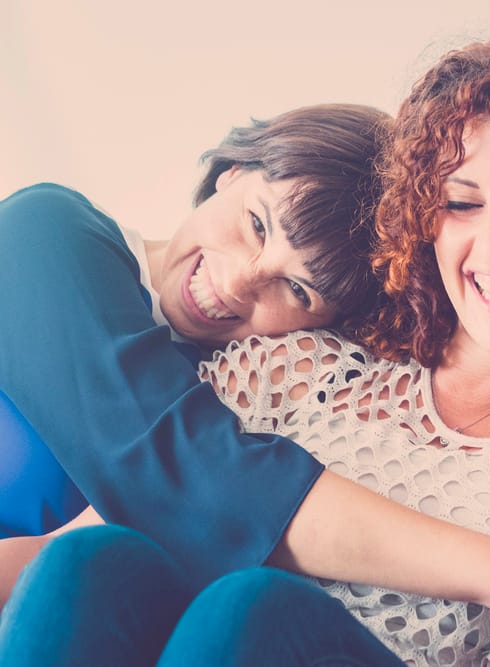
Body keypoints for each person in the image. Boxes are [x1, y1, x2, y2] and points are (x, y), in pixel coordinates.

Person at [0, 30, 490, 666]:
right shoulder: (304, 365)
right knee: (91, 562)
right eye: (461, 202)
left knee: (253, 611)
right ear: (425, 220)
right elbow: (165, 490)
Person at [0, 102, 387, 588]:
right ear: (233, 172)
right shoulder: (46, 233)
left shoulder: (233, 402)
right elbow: (184, 478)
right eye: (258, 224)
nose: (240, 282)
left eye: (297, 290)